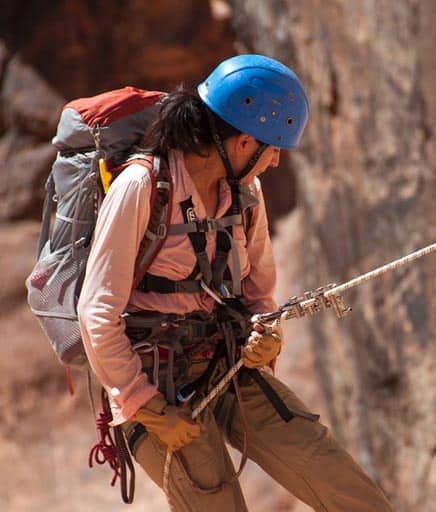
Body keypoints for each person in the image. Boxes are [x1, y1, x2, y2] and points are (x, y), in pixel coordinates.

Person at [77, 54, 394, 511]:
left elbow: (258, 293)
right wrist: (147, 408)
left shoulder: (245, 193)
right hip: (153, 379)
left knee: (331, 472)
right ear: (244, 142)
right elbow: (97, 311)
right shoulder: (143, 187)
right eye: (274, 147)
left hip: (226, 360)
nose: (278, 161)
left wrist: (267, 339)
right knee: (216, 502)